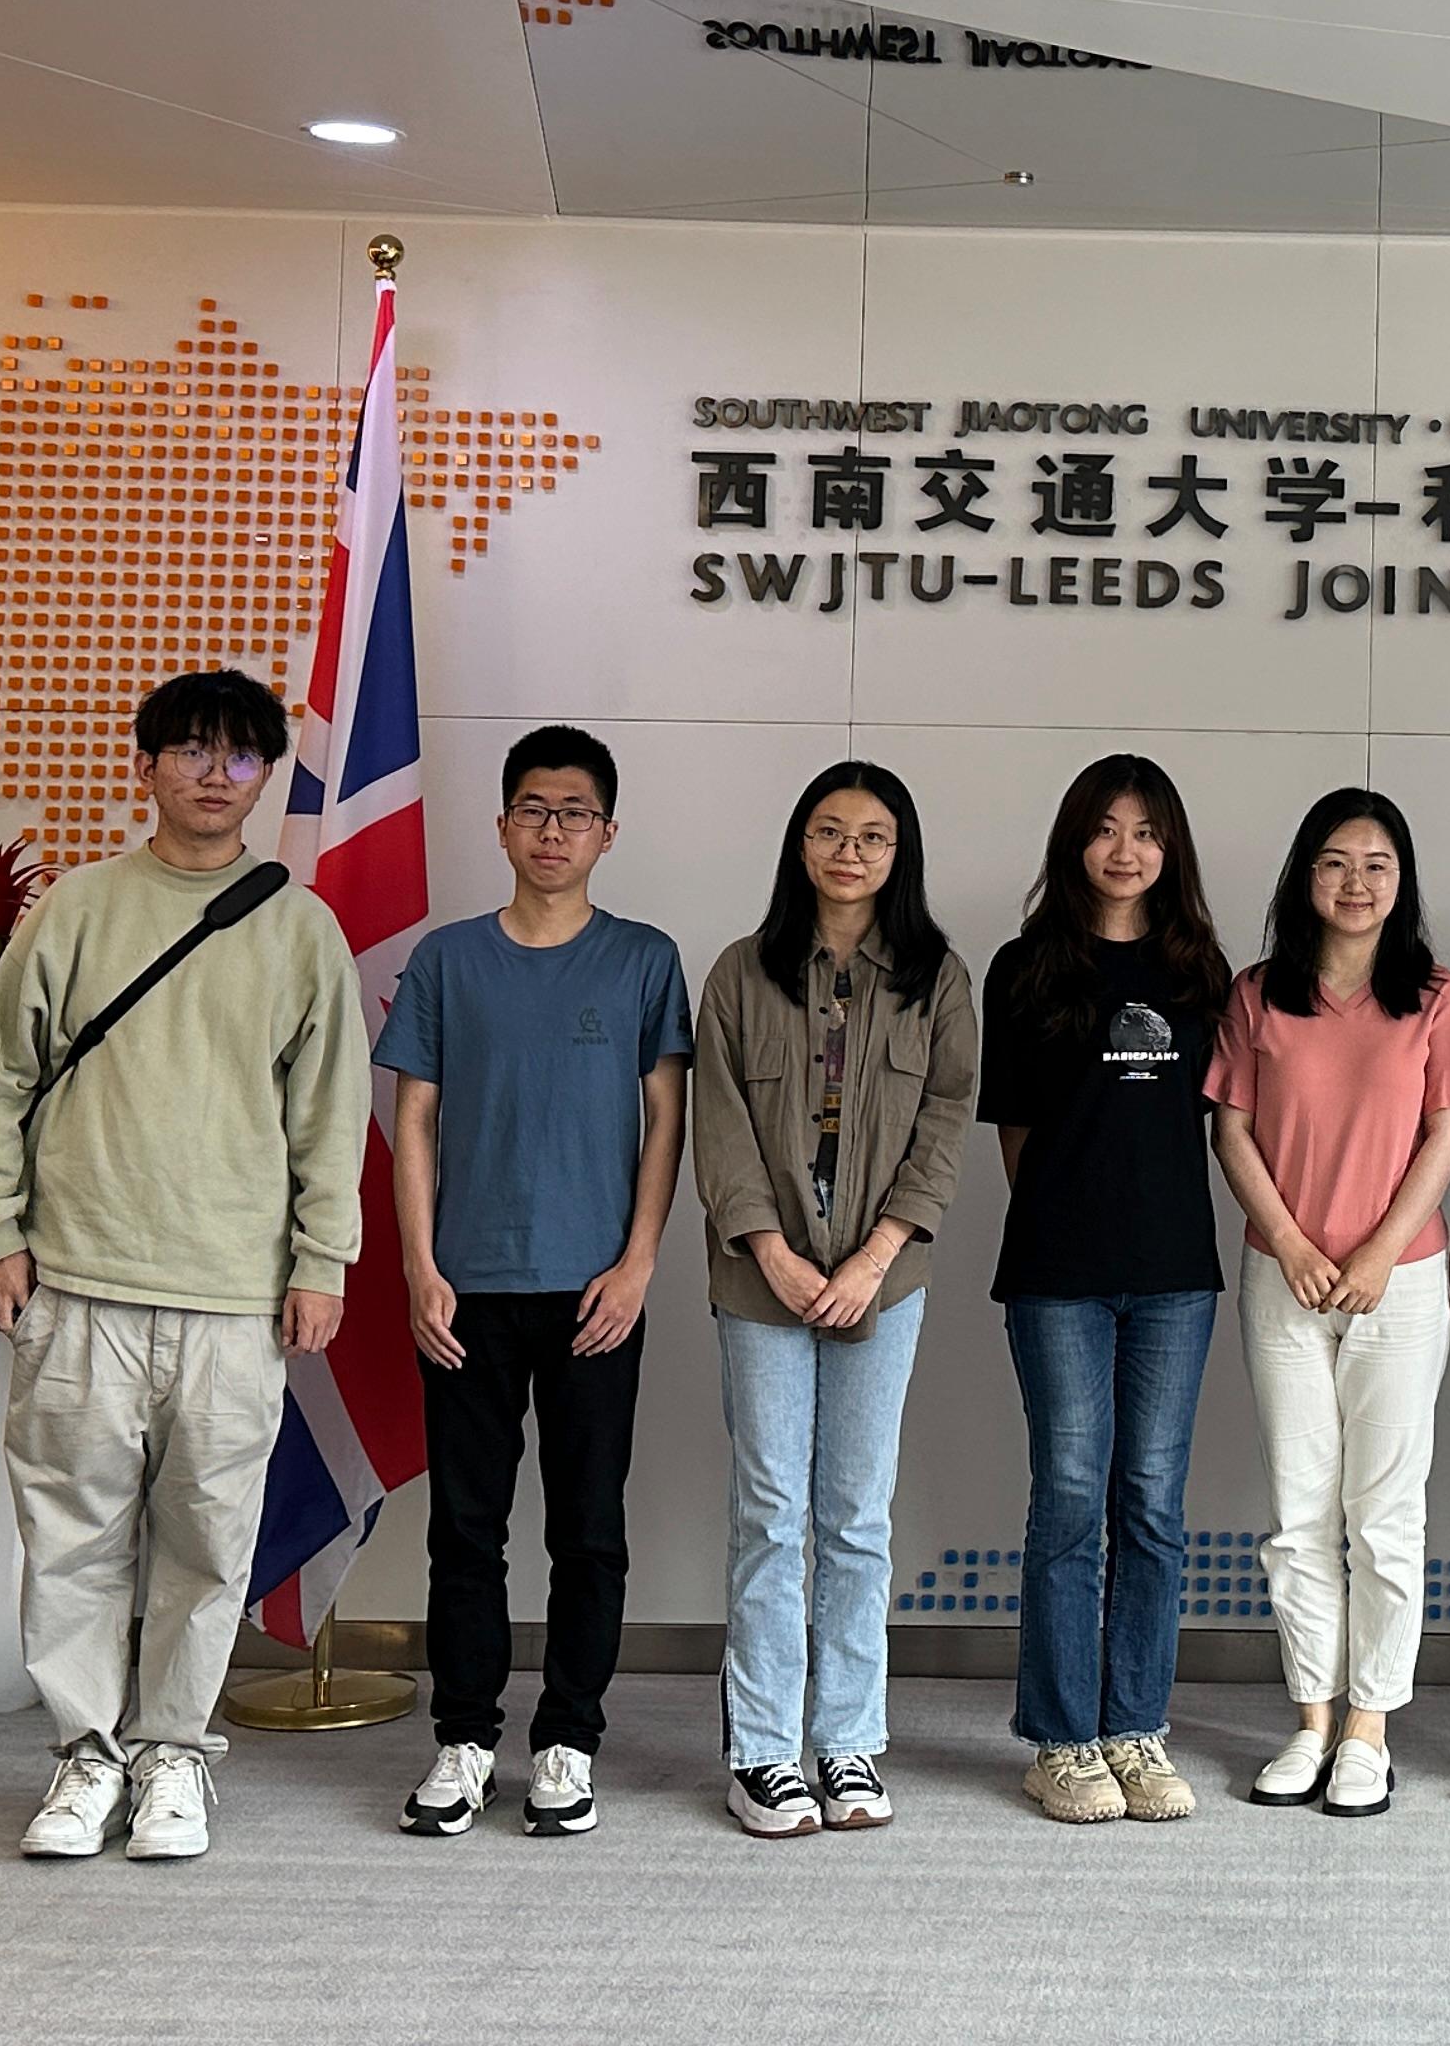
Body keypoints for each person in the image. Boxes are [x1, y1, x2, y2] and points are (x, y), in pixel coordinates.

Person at [0, 669, 369, 1865]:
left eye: (239, 755)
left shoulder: (300, 928)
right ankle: (86, 1756)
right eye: (188, 749)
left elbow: (327, 1117)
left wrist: (322, 1262)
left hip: (235, 1296)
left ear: (266, 774)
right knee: (71, 1536)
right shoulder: (76, 910)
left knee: (208, 1543)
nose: (212, 774)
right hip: (78, 1281)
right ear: (146, 765)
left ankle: (175, 1753)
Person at [383, 726, 689, 1845]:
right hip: (467, 1290)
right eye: (533, 810)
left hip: (597, 1291)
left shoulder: (645, 959)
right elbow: (415, 1120)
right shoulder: (447, 960)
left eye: (575, 813)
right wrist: (421, 1267)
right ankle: (464, 1740)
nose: (553, 830)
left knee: (588, 1529)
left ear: (608, 832)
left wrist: (639, 1263)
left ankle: (568, 1741)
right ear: (502, 825)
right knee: (465, 1531)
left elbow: (667, 1122)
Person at [690, 762, 976, 1839]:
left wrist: (874, 1260)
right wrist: (772, 1253)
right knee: (770, 1514)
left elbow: (946, 1123)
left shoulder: (937, 977)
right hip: (760, 1279)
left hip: (882, 1283)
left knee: (857, 1518)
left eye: (872, 837)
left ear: (900, 855)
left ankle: (848, 1741)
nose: (849, 853)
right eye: (828, 831)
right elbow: (718, 1125)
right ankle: (764, 1753)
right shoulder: (740, 971)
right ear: (799, 845)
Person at [1212, 789, 1450, 1820]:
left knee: (1385, 1513)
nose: (1355, 882)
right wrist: (1289, 1242)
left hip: (1398, 1284)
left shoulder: (1435, 997)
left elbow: (1448, 1135)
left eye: (1377, 864)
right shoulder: (1257, 993)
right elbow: (1231, 1130)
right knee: (1299, 1513)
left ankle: (1370, 1728)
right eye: (1334, 862)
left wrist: (1374, 1253)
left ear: (1401, 881)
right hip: (1283, 1278)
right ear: (1304, 877)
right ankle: (1312, 1719)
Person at [984, 755, 1233, 1825]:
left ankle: (1135, 1726)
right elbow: (1016, 1132)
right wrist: (1067, 1221)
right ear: (1073, 841)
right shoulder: (1025, 967)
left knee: (1153, 1505)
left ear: (1170, 849)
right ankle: (1060, 1739)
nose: (1124, 851)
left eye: (1146, 832)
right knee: (1071, 1498)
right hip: (1060, 1277)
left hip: (1175, 1275)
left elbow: (1223, 1126)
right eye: (1105, 829)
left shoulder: (1201, 972)